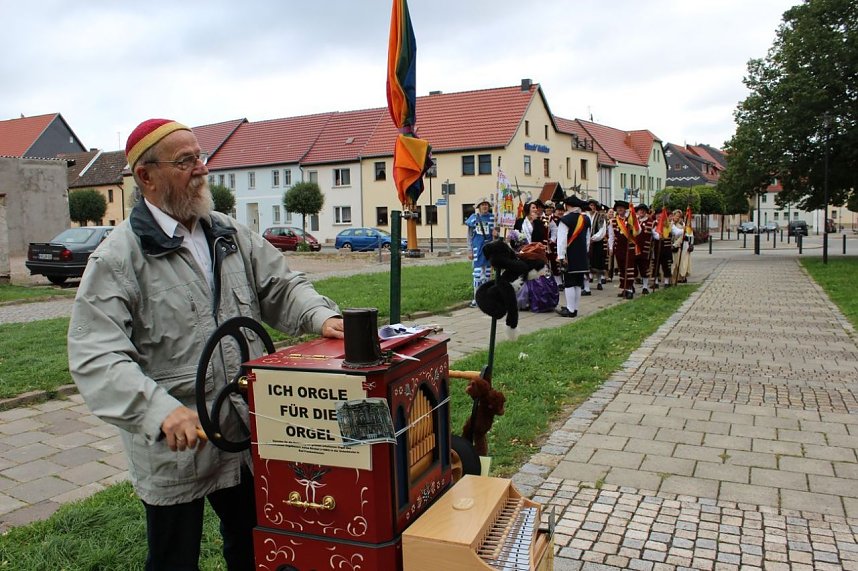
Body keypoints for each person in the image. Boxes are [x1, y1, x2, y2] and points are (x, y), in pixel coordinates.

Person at [67, 118, 344, 571]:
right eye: (186, 161)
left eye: (201, 157)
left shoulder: (226, 233)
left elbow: (281, 284)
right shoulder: (119, 258)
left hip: (242, 428)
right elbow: (96, 354)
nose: (201, 169)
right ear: (146, 177)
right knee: (174, 559)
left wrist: (321, 316)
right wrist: (158, 412)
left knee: (255, 546)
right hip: (177, 446)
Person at [555, 195, 592, 317]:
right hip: (581, 255)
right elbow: (587, 238)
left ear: (568, 206)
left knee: (569, 282)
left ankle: (570, 310)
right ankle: (574, 308)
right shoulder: (586, 219)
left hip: (569, 255)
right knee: (578, 283)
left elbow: (561, 240)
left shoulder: (565, 220)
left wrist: (560, 255)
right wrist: (584, 251)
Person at [465, 198, 496, 307]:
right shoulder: (473, 219)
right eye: (482, 205)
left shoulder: (493, 218)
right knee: (477, 275)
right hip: (477, 250)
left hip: (489, 250)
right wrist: (469, 250)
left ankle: (486, 298)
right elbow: (469, 236)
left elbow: (496, 235)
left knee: (487, 275)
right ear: (479, 207)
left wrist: (496, 234)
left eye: (486, 204)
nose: (484, 207)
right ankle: (476, 298)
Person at [608, 200, 637, 299]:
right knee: (622, 269)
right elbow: (611, 235)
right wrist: (611, 247)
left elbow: (638, 231)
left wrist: (632, 227)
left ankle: (629, 289)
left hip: (629, 247)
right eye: (618, 208)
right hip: (619, 248)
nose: (619, 209)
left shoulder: (631, 219)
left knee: (629, 268)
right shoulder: (613, 221)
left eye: (622, 208)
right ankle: (624, 288)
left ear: (625, 209)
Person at [633, 203, 654, 295]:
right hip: (633, 249)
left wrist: (659, 235)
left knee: (644, 268)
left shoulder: (651, 222)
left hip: (645, 249)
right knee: (633, 268)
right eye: (639, 210)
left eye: (643, 210)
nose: (641, 212)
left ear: (646, 212)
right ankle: (631, 286)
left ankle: (645, 287)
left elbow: (655, 234)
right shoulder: (633, 221)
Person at [671, 208, 693, 283]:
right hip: (676, 245)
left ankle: (683, 277)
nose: (678, 218)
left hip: (684, 244)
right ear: (673, 216)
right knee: (676, 262)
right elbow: (676, 233)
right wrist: (685, 229)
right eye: (676, 216)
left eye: (679, 216)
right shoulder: (672, 224)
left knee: (684, 261)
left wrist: (691, 243)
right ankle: (676, 277)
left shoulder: (683, 224)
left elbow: (690, 234)